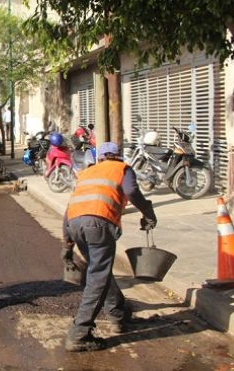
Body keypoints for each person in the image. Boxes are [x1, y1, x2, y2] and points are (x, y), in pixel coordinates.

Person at [61, 141, 158, 352]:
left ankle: (117, 315)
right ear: (118, 156)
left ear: (101, 157)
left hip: (75, 224)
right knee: (98, 276)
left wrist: (67, 245)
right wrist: (148, 213)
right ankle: (80, 333)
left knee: (100, 271)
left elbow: (69, 209)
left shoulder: (87, 173)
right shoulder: (122, 168)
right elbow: (131, 191)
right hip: (99, 224)